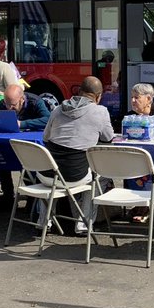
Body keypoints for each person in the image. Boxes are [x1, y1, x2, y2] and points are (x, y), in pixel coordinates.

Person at [42, 76, 114, 233]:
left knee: (55, 170)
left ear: (79, 91)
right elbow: (108, 138)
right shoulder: (100, 111)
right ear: (98, 96)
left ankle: (43, 222)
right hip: (75, 175)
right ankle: (83, 224)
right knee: (100, 176)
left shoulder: (57, 109)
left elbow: (45, 138)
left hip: (47, 174)